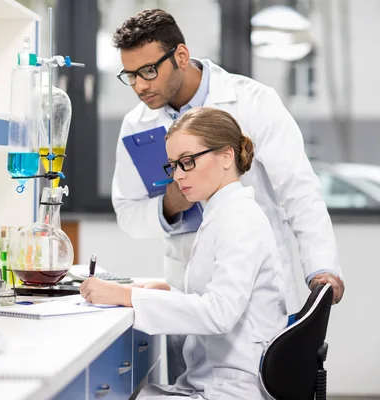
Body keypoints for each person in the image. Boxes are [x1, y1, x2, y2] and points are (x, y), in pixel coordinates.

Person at [110, 8, 344, 381]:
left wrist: (321, 268)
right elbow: (127, 212)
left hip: (252, 291)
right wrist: (172, 203)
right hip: (186, 286)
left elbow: (299, 189)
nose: (139, 86)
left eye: (148, 71)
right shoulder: (136, 125)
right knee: (192, 379)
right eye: (130, 75)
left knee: (244, 377)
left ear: (181, 57)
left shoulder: (252, 101)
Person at [81, 107, 288, 399]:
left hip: (233, 389)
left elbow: (219, 314)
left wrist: (124, 296)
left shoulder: (239, 218)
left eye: (187, 162)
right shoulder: (221, 212)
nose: (177, 176)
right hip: (213, 380)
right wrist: (166, 290)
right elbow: (217, 294)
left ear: (227, 156)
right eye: (173, 165)